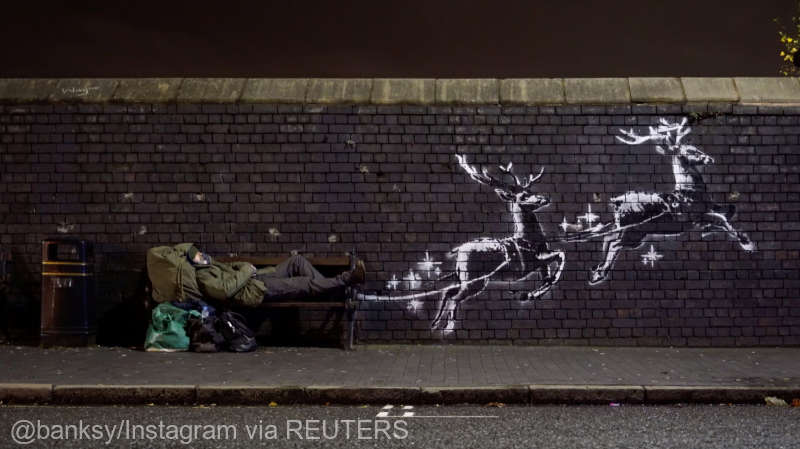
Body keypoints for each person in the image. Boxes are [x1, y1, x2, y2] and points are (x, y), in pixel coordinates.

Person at [185, 245, 365, 307]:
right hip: (254, 290)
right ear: (193, 262)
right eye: (197, 256)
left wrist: (245, 268)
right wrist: (246, 271)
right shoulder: (204, 277)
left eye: (200, 252)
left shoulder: (213, 263)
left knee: (297, 261)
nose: (201, 255)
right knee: (303, 282)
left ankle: (325, 289)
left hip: (258, 277)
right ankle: (347, 279)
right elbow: (224, 291)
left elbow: (235, 266)